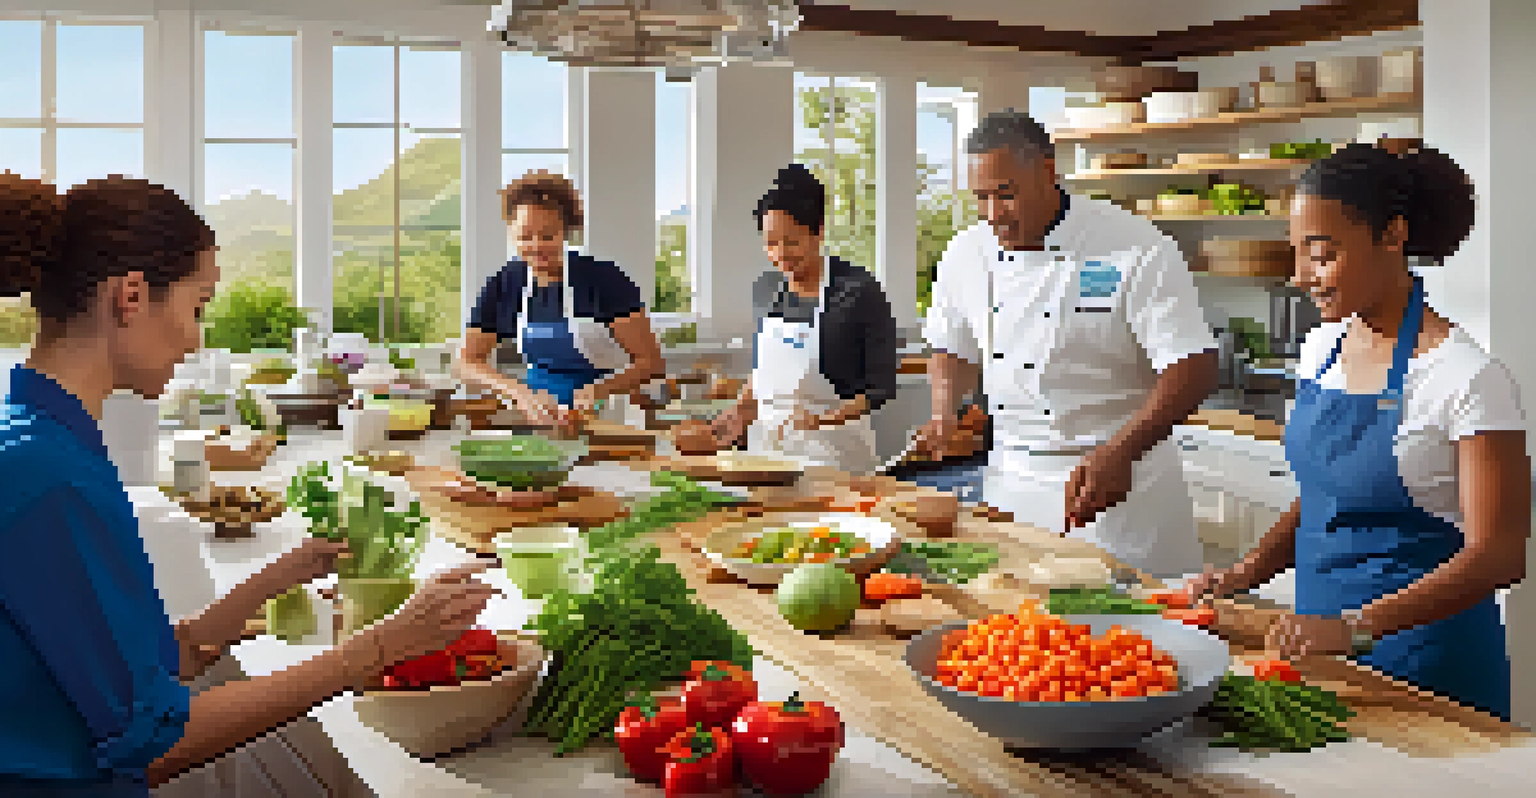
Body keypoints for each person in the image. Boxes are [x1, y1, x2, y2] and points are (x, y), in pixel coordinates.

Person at [0, 173, 496, 795]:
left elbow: (142, 665)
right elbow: (154, 743)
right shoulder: (52, 481)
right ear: (130, 297)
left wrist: (275, 577)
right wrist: (378, 649)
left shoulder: (37, 437)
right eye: (197, 306)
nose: (196, 338)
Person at [1188, 143, 1530, 721]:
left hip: (1427, 672)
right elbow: (1323, 494)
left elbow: (1500, 556)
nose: (1302, 277)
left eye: (1321, 254)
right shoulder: (1322, 349)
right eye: (1296, 254)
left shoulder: (1466, 378)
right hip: (1319, 661)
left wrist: (1352, 628)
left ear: (1392, 235)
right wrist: (1246, 573)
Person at [913, 110, 1220, 578]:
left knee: (1129, 636)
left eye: (1007, 194)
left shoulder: (1135, 245)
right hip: (1012, 486)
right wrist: (943, 411)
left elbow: (1193, 365)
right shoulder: (964, 253)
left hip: (1116, 493)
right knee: (1017, 633)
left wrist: (1122, 451)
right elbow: (952, 347)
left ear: (1047, 171)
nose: (994, 214)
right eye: (982, 198)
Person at [711, 164, 897, 475]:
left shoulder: (858, 290)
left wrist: (821, 421)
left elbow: (880, 390)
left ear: (819, 231)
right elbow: (762, 371)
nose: (780, 253)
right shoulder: (767, 289)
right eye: (770, 243)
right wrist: (740, 410)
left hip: (833, 458)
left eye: (792, 241)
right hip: (765, 457)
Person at [460, 170, 665, 426]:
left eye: (548, 236)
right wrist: (518, 392)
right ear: (511, 234)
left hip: (609, 414)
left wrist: (599, 390)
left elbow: (651, 363)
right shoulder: (505, 284)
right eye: (525, 237)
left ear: (566, 231)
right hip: (538, 414)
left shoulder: (603, 278)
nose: (536, 246)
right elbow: (467, 362)